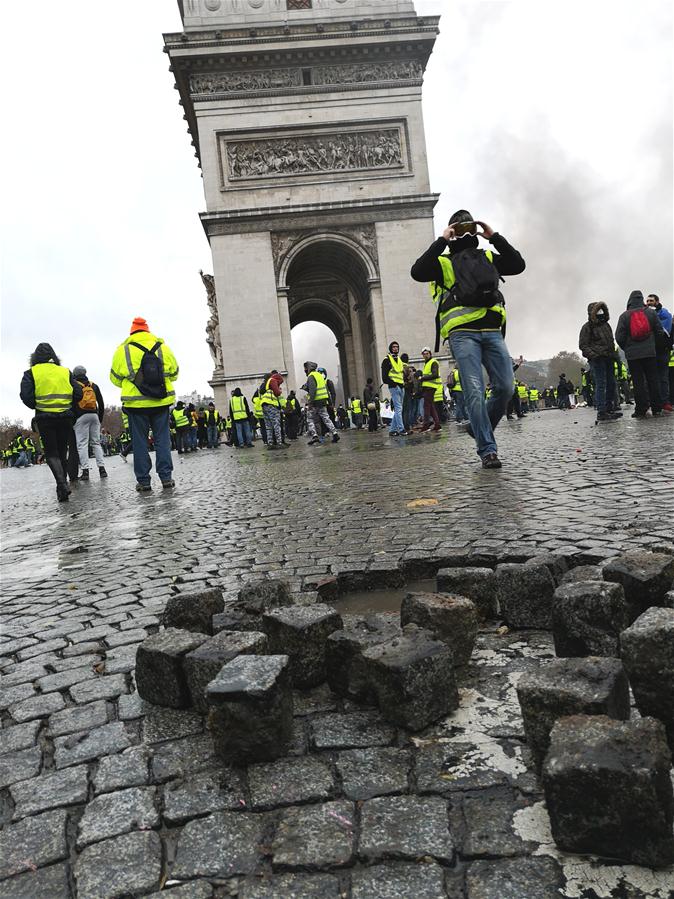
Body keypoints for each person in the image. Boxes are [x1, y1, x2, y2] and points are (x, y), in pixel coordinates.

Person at [411, 210, 525, 468]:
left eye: (468, 228)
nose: (464, 233)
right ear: (452, 231)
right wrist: (442, 240)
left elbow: (518, 265)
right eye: (458, 229)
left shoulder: (487, 256)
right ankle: (487, 449)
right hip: (462, 335)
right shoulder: (442, 263)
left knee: (506, 387)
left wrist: (493, 236)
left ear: (475, 230)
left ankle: (479, 429)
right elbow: (417, 271)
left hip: (493, 332)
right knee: (473, 392)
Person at [110, 317, 179, 491]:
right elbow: (175, 373)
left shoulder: (123, 350)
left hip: (135, 404)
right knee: (163, 440)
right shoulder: (163, 347)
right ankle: (166, 478)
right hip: (161, 401)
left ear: (132, 332)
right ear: (148, 331)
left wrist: (135, 382)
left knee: (139, 442)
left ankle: (144, 481)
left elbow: (115, 379)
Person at [20, 342, 83, 501]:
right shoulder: (65, 372)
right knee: (62, 452)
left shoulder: (31, 373)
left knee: (51, 453)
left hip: (45, 417)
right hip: (65, 417)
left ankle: (62, 485)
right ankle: (62, 489)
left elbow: (26, 396)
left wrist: (37, 404)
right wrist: (67, 404)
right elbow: (78, 393)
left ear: (34, 358)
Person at [615, 291, 666, 418]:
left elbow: (619, 337)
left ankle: (641, 409)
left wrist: (627, 348)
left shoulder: (624, 316)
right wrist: (653, 345)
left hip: (633, 355)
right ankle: (657, 408)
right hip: (650, 353)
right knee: (653, 380)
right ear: (642, 299)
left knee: (638, 383)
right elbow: (660, 332)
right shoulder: (651, 313)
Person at [578, 301, 621, 423]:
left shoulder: (606, 325)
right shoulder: (587, 327)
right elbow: (583, 345)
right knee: (601, 385)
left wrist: (615, 358)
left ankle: (609, 408)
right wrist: (594, 356)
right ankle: (601, 411)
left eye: (602, 310)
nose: (601, 313)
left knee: (611, 383)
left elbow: (611, 343)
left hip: (608, 358)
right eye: (598, 311)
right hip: (597, 360)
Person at [71, 365, 108, 479]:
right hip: (94, 415)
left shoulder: (74, 385)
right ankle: (102, 469)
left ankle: (85, 471)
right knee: (96, 443)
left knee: (82, 444)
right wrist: (99, 418)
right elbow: (101, 403)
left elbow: (71, 404)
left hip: (80, 416)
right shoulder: (93, 385)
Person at [646, 294, 674, 412]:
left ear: (657, 302)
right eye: (647, 301)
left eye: (651, 300)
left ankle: (665, 402)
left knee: (663, 377)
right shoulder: (644, 314)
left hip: (662, 350)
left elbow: (667, 332)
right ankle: (654, 402)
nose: (649, 302)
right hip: (650, 350)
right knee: (652, 378)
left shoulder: (665, 314)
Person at [303, 361, 340, 445]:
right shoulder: (319, 376)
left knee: (310, 419)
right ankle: (335, 433)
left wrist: (310, 403)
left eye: (305, 369)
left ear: (308, 368)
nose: (305, 371)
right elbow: (326, 391)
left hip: (315, 401)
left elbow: (313, 390)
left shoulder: (311, 377)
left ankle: (314, 436)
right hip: (323, 401)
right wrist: (330, 402)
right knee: (326, 418)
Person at [381, 341, 409, 436]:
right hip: (394, 387)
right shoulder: (386, 360)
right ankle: (401, 429)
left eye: (397, 347)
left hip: (401, 386)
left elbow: (401, 373)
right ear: (390, 348)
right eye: (394, 347)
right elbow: (384, 377)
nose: (396, 348)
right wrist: (393, 383)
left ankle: (392, 430)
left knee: (399, 409)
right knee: (398, 409)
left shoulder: (399, 360)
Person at [260, 369, 286, 449]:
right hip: (271, 405)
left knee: (268, 426)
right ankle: (279, 443)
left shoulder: (265, 384)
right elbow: (277, 393)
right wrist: (280, 391)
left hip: (264, 406)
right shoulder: (273, 380)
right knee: (276, 424)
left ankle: (270, 443)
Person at [419, 347, 442, 431]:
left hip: (430, 387)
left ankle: (426, 425)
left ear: (430, 354)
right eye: (424, 354)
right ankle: (437, 424)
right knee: (431, 407)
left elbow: (435, 374)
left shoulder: (433, 362)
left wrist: (422, 378)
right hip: (428, 387)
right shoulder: (427, 363)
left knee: (426, 407)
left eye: (427, 353)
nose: (425, 355)